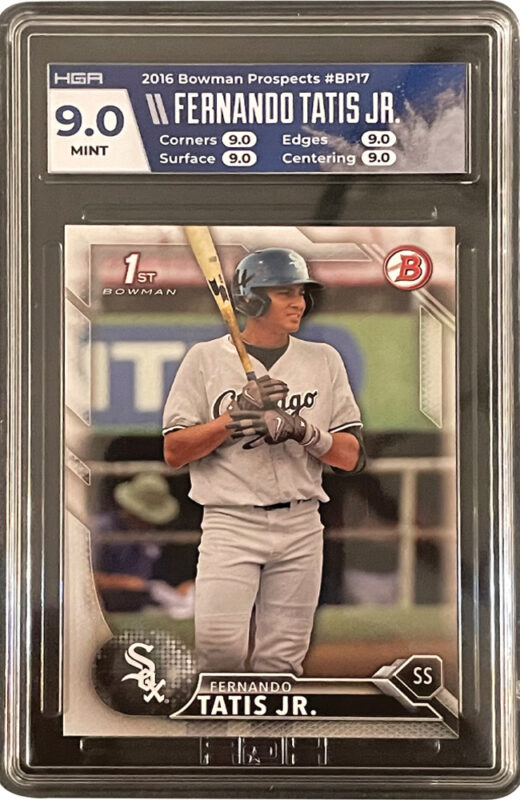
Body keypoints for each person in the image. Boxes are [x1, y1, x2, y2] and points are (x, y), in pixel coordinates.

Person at [162, 248, 365, 675]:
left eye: (301, 293)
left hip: (301, 524)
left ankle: (273, 722)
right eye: (285, 293)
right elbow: (175, 451)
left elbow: (351, 457)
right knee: (219, 655)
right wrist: (234, 417)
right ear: (251, 300)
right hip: (230, 522)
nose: (299, 303)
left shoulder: (323, 358)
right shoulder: (205, 358)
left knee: (283, 662)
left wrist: (302, 431)